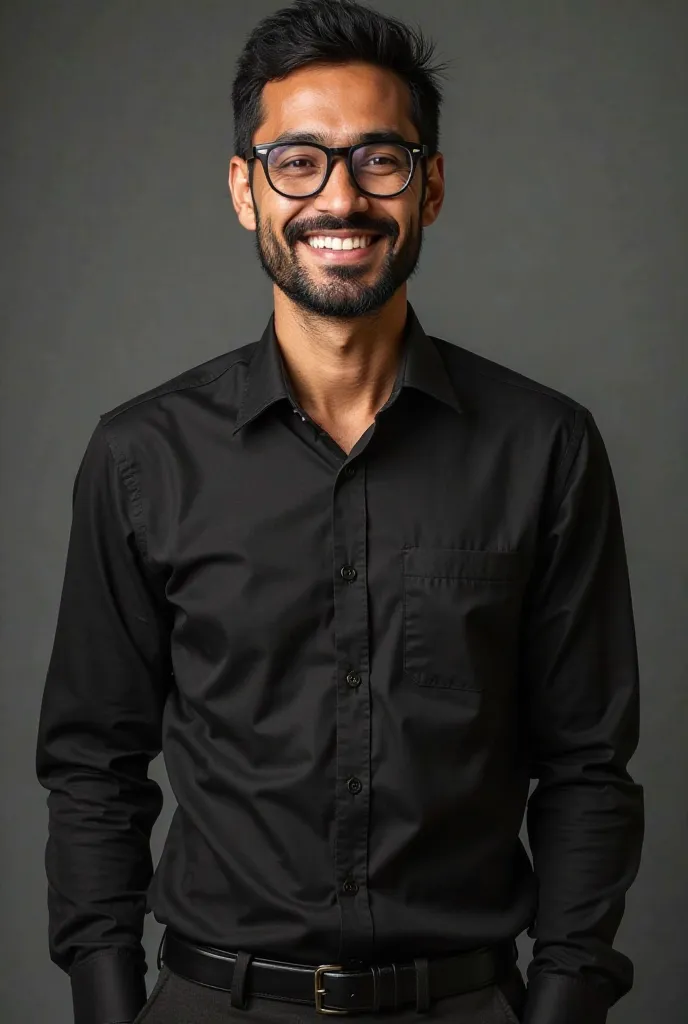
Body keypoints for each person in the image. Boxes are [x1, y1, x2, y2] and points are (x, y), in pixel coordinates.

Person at [36, 1, 644, 1022]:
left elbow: (587, 765)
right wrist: (109, 1004)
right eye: (299, 161)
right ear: (245, 189)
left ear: (432, 186)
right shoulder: (141, 454)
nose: (340, 198)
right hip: (210, 999)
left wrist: (561, 1002)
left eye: (379, 160)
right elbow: (94, 760)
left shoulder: (544, 447)